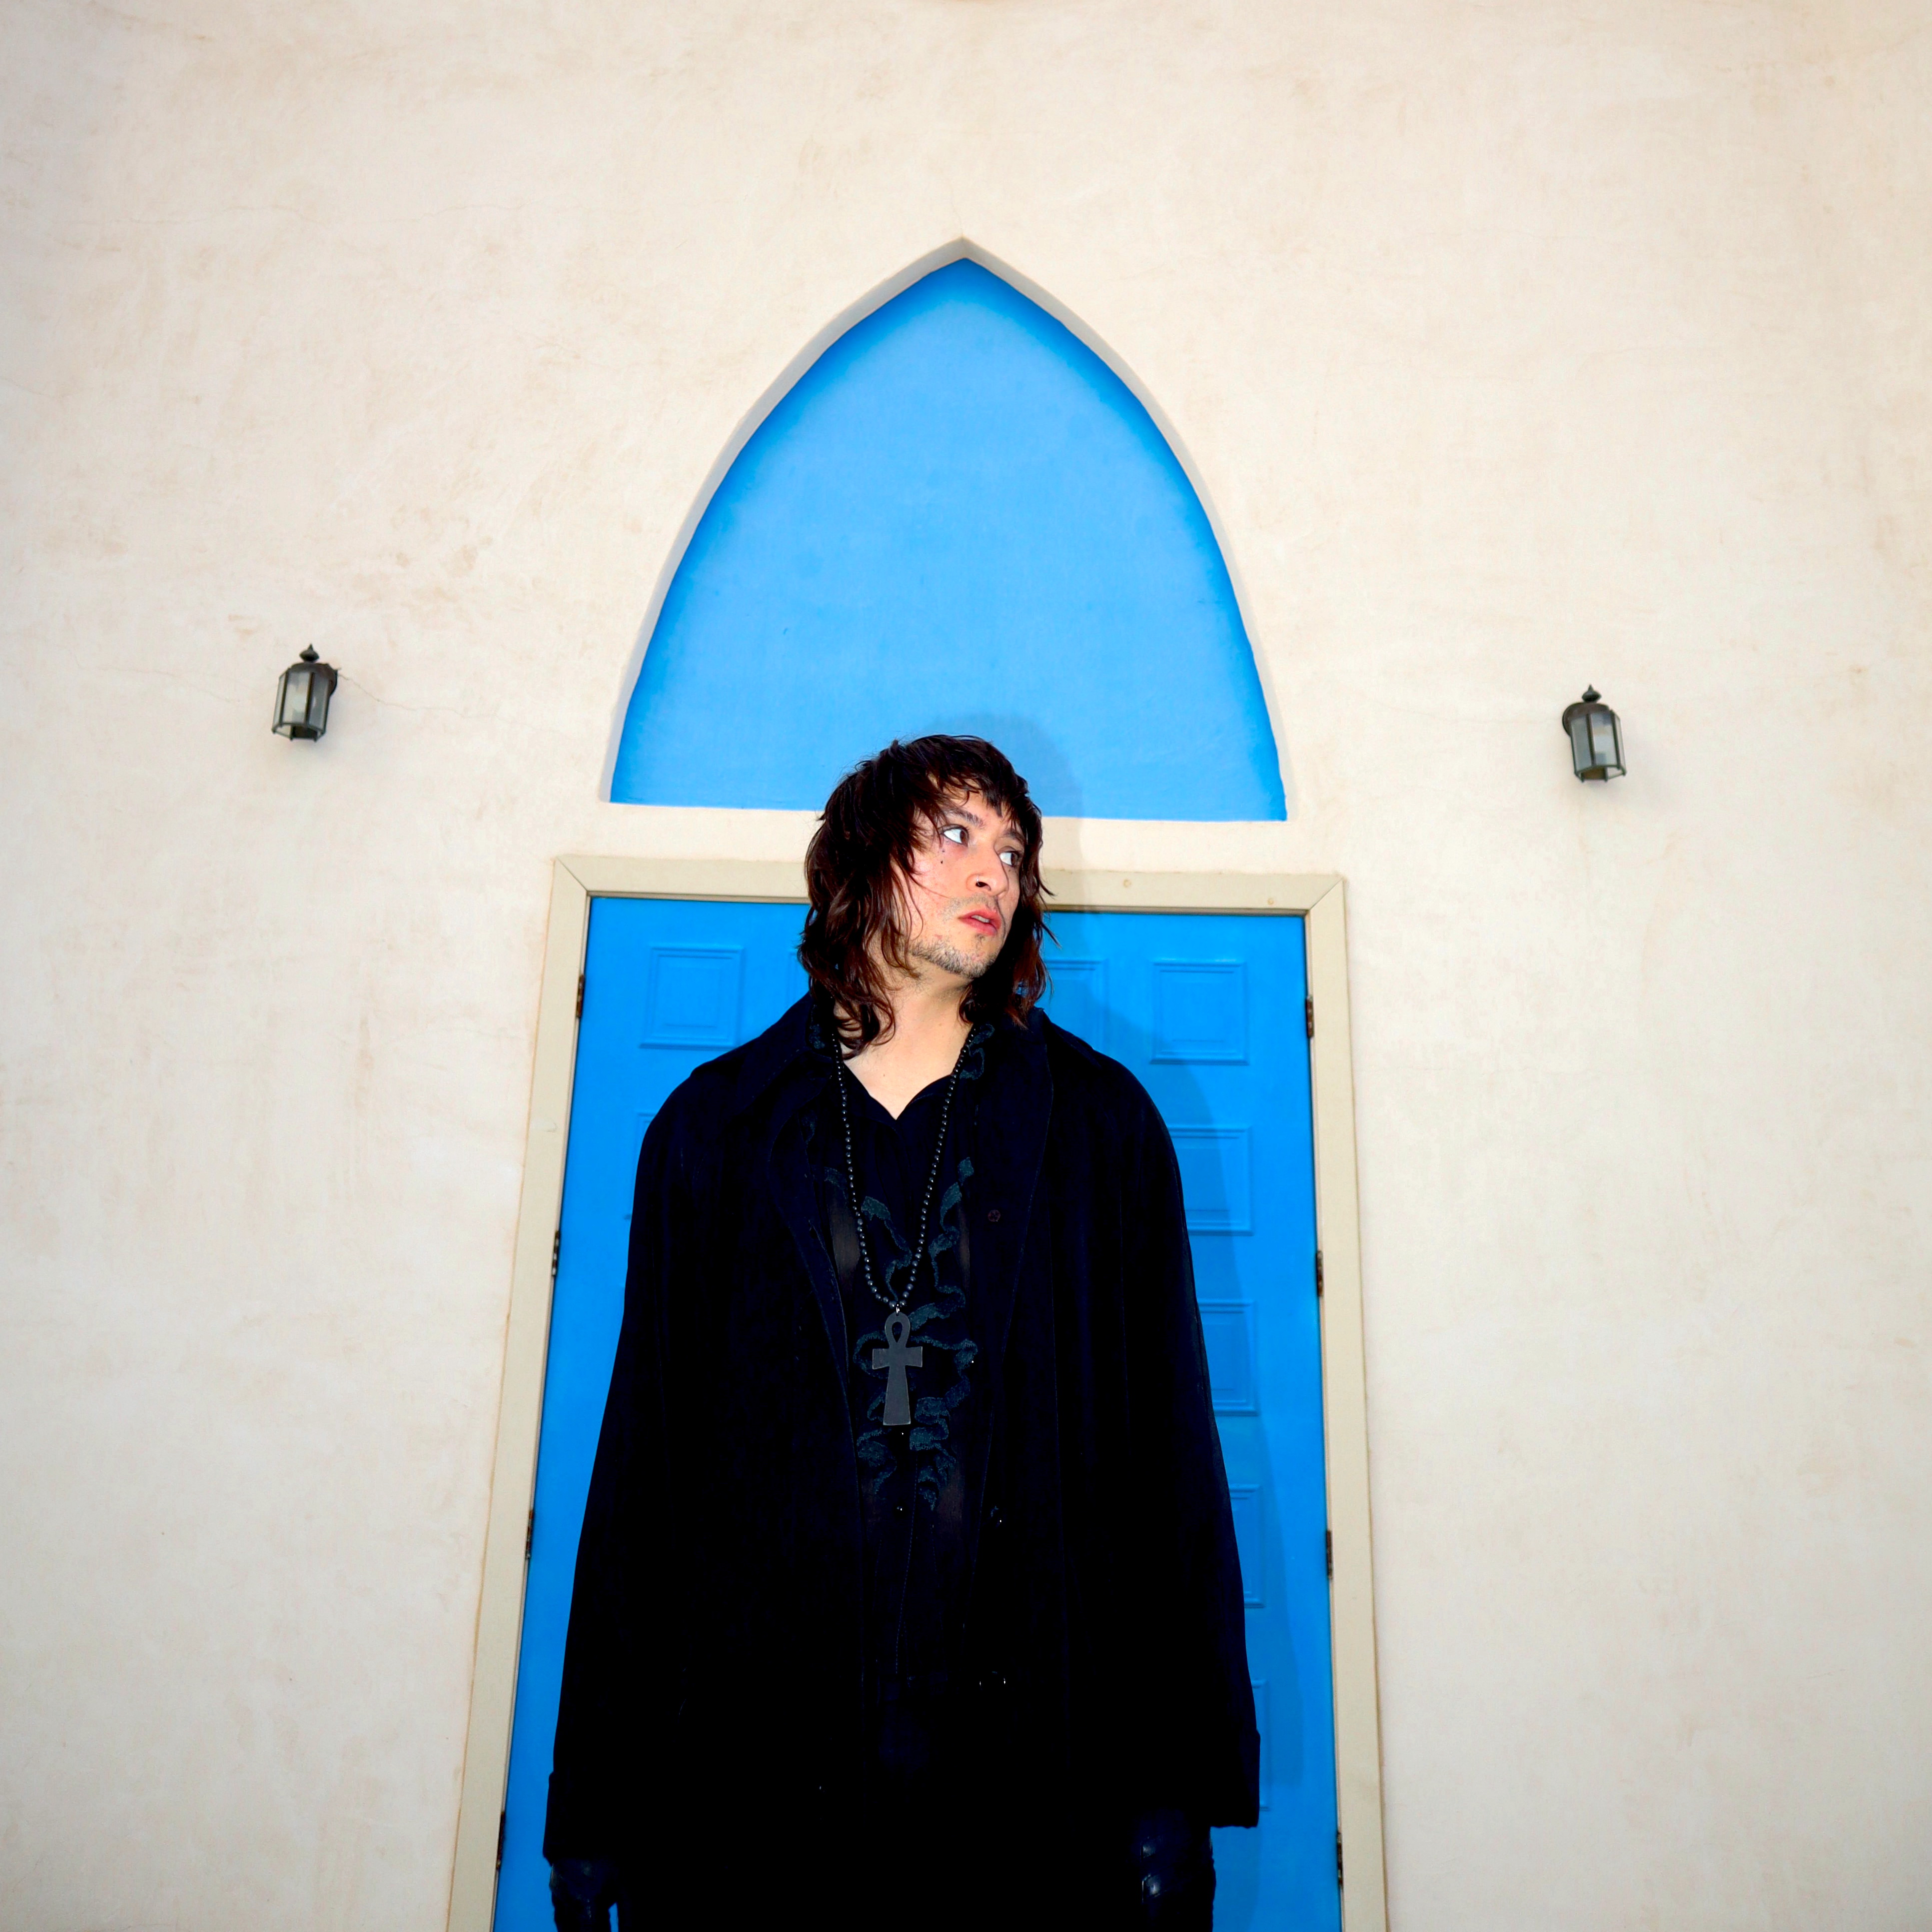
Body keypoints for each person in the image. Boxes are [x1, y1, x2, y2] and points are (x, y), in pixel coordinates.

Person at [545, 736, 1256, 1929]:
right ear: (858, 860)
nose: (995, 873)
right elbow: (644, 1472)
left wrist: (1171, 1792)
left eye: (1014, 852)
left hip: (1030, 1776)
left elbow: (1167, 1467)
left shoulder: (1100, 1131)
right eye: (955, 835)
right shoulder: (713, 1132)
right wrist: (598, 1806)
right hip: (760, 1780)